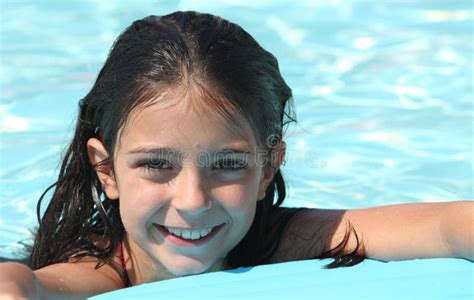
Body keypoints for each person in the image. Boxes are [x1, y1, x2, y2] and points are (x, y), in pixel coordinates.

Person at [0, 11, 472, 299]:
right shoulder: (103, 267)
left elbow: (445, 228)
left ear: (269, 167)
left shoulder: (279, 238)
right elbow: (40, 287)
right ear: (106, 170)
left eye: (227, 164)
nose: (192, 200)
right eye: (156, 164)